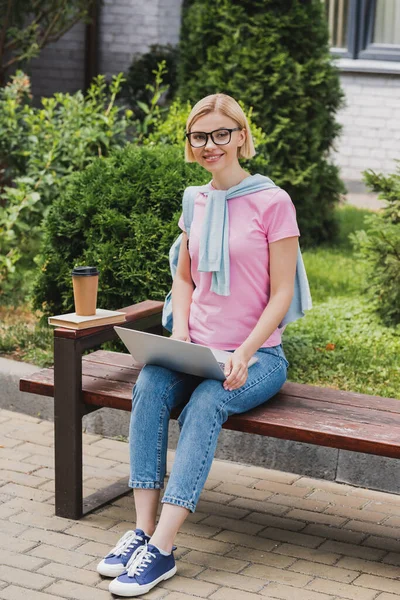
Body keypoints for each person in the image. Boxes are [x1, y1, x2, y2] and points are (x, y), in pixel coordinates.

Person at [97, 93, 300, 597]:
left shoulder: (273, 201)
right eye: (199, 136)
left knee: (206, 404)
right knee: (149, 384)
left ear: (240, 136)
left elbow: (282, 294)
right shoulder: (196, 201)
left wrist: (246, 352)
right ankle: (142, 530)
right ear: (190, 142)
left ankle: (162, 551)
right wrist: (181, 334)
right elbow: (184, 281)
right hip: (197, 348)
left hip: (258, 357)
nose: (210, 145)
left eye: (220, 134)